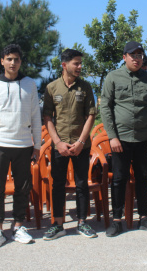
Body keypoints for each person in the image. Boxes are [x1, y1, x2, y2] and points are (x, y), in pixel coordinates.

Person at [0, 44, 42, 248]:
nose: (12, 63)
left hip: (23, 144)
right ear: (2, 61)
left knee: (22, 187)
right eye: (9, 59)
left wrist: (37, 145)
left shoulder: (30, 84)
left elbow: (36, 115)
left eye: (16, 59)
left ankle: (18, 227)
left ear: (20, 62)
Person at [100, 41, 147, 237]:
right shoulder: (113, 77)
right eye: (133, 55)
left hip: (144, 139)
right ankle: (117, 220)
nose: (137, 59)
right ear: (124, 57)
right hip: (120, 139)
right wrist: (112, 137)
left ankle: (144, 218)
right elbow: (105, 108)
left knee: (143, 178)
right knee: (119, 179)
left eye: (139, 55)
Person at [42, 49, 97, 240]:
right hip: (60, 146)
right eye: (76, 63)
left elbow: (91, 115)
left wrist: (81, 141)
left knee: (82, 184)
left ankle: (82, 222)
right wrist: (57, 142)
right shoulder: (52, 88)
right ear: (64, 65)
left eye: (81, 63)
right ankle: (58, 224)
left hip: (81, 145)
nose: (80, 66)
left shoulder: (86, 87)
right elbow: (47, 117)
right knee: (58, 184)